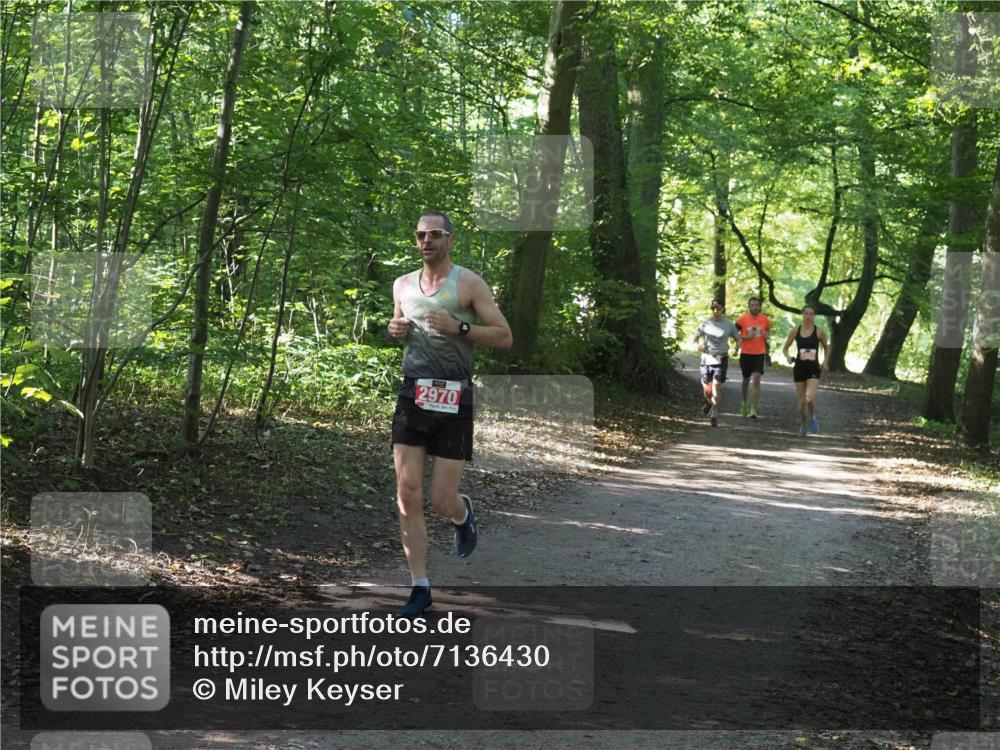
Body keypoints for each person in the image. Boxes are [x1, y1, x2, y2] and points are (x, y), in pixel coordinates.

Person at [387, 211, 513, 616]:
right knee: (407, 493)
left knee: (441, 500)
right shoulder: (402, 284)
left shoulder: (469, 283)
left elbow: (504, 336)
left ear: (450, 240)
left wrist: (460, 328)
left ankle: (462, 514)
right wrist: (396, 329)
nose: (426, 241)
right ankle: (419, 587)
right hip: (413, 394)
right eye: (420, 235)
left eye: (435, 234)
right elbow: (400, 324)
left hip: (454, 397)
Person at [781, 304, 830, 435]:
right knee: (802, 402)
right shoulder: (795, 330)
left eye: (811, 314)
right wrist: (788, 357)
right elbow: (785, 348)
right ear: (802, 314)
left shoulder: (819, 331)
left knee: (810, 397)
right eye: (806, 313)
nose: (808, 316)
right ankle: (803, 425)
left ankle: (812, 417)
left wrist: (825, 362)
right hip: (799, 368)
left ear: (814, 316)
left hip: (813, 368)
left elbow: (827, 347)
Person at [692, 299, 741, 427]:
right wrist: (698, 346)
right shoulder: (706, 323)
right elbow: (695, 338)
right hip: (707, 358)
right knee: (707, 390)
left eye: (718, 308)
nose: (715, 311)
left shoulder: (729, 324)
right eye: (713, 308)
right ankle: (709, 402)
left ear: (722, 309)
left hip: (721, 359)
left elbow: (738, 338)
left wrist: (736, 349)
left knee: (716, 386)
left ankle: (714, 414)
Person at [735, 296, 771, 418]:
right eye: (753, 305)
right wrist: (746, 337)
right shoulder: (742, 319)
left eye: (757, 305)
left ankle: (753, 409)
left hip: (759, 353)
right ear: (749, 306)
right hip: (746, 353)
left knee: (756, 379)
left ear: (760, 306)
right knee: (746, 379)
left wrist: (766, 335)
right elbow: (734, 334)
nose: (755, 307)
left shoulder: (765, 320)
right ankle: (744, 403)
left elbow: (768, 334)